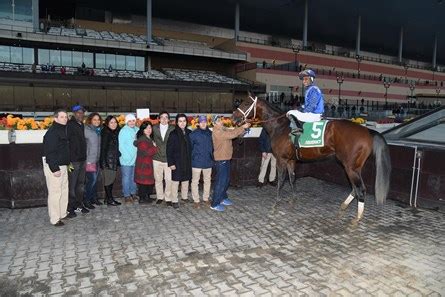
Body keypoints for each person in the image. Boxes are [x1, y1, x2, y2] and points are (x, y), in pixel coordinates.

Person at [211, 115, 250, 212]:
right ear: (214, 123)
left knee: (226, 180)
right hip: (221, 159)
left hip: (226, 158)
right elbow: (231, 135)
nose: (221, 121)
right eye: (218, 121)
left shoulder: (223, 129)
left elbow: (233, 132)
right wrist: (242, 127)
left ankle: (223, 197)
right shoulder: (217, 131)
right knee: (221, 182)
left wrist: (242, 127)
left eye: (220, 119)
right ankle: (215, 203)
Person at [42, 109, 70, 226]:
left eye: (66, 117)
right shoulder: (52, 132)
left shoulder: (63, 130)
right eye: (62, 117)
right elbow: (50, 151)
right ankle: (54, 218)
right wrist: (54, 168)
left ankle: (62, 213)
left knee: (64, 190)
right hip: (54, 165)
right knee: (55, 192)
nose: (65, 119)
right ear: (55, 118)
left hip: (63, 164)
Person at [286, 69, 325, 134]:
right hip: (311, 113)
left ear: (311, 79)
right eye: (303, 79)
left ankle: (298, 130)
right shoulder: (309, 89)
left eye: (306, 79)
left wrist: (302, 111)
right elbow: (307, 105)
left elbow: (312, 105)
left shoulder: (314, 89)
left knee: (290, 113)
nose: (304, 81)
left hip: (314, 115)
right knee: (294, 111)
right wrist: (300, 108)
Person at [66, 105, 88, 217]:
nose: (81, 114)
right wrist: (69, 160)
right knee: (72, 185)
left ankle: (79, 205)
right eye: (78, 112)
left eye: (82, 112)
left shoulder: (81, 125)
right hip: (74, 160)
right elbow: (67, 143)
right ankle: (70, 207)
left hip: (82, 159)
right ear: (74, 113)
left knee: (81, 184)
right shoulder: (70, 125)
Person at [166, 114, 192, 209]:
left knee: (186, 180)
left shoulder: (189, 133)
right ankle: (174, 200)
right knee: (176, 181)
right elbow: (169, 150)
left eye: (184, 121)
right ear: (177, 122)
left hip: (187, 160)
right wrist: (171, 163)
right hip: (177, 161)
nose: (182, 123)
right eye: (180, 121)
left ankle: (184, 197)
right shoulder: (173, 134)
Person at [190, 115, 213, 208]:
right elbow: (190, 148)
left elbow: (213, 147)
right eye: (201, 122)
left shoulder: (210, 133)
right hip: (197, 162)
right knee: (195, 181)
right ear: (198, 123)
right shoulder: (193, 134)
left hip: (208, 161)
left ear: (207, 123)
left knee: (207, 181)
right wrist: (194, 157)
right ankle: (196, 200)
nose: (203, 123)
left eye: (205, 121)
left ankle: (206, 198)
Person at [152, 111, 175, 204]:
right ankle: (160, 197)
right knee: (158, 179)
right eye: (162, 117)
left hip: (168, 158)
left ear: (169, 119)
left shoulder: (173, 128)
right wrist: (151, 142)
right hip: (157, 158)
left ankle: (168, 198)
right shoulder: (154, 128)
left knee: (169, 179)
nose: (164, 119)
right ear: (159, 119)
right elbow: (146, 135)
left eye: (166, 117)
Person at [134, 121, 158, 204]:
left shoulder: (149, 138)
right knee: (143, 182)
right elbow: (146, 152)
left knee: (148, 182)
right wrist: (154, 148)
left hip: (147, 164)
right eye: (146, 128)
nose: (149, 130)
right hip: (143, 164)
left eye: (150, 128)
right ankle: (142, 198)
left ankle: (147, 197)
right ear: (142, 130)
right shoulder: (142, 140)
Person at [100, 116, 121, 206]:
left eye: (115, 122)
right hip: (108, 161)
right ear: (107, 124)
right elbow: (103, 149)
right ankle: (110, 199)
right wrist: (104, 162)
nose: (114, 124)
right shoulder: (106, 133)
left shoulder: (114, 132)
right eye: (111, 123)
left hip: (112, 160)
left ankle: (107, 198)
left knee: (110, 180)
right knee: (109, 181)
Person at [84, 112, 102, 209]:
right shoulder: (86, 130)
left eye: (98, 119)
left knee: (95, 180)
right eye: (94, 119)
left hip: (97, 159)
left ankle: (94, 198)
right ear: (90, 120)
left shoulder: (98, 130)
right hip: (89, 160)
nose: (97, 121)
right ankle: (86, 200)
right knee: (92, 180)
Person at [118, 114, 138, 203]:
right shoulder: (123, 131)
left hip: (136, 158)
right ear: (126, 122)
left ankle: (133, 193)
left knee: (134, 177)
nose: (132, 122)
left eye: (133, 120)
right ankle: (126, 195)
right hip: (126, 159)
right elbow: (121, 145)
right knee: (126, 177)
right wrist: (126, 157)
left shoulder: (137, 130)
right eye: (129, 121)